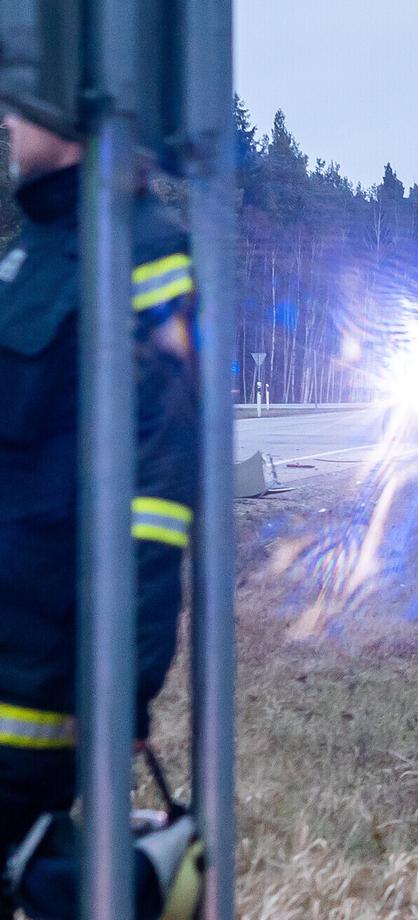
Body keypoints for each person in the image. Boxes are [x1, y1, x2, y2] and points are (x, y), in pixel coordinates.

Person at [0, 114, 198, 915]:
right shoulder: (33, 247)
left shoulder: (143, 250)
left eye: (22, 104)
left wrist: (126, 681)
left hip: (29, 684)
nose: (6, 121)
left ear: (74, 113)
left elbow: (155, 498)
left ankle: (132, 888)